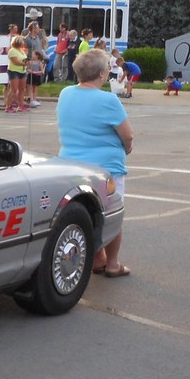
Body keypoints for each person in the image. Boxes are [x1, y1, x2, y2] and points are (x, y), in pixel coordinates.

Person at [56, 49, 133, 277]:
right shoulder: (108, 100)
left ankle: (96, 257)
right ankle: (112, 263)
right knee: (112, 215)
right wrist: (127, 148)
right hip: (106, 167)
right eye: (107, 69)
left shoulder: (66, 93)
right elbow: (127, 135)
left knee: (87, 214)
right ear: (101, 73)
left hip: (71, 163)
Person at [5, 35, 28, 112]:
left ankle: (21, 105)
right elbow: (15, 61)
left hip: (22, 71)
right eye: (22, 41)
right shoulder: (12, 51)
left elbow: (23, 59)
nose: (24, 43)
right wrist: (24, 64)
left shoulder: (22, 51)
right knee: (14, 89)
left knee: (22, 89)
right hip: (14, 71)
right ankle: (8, 106)